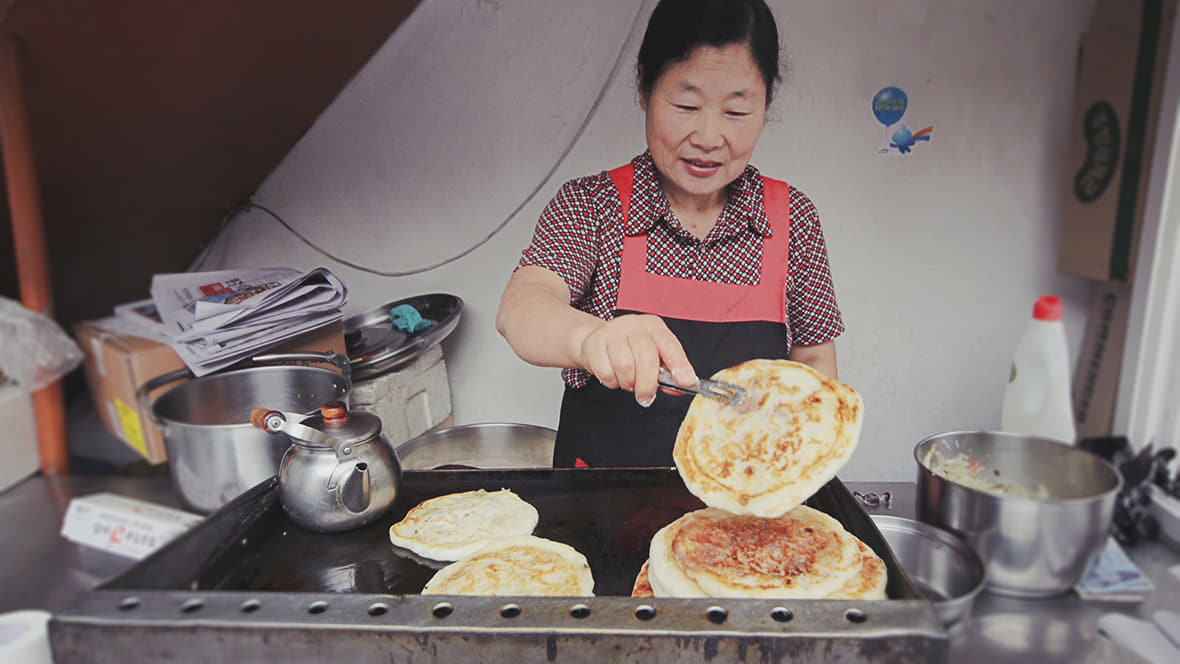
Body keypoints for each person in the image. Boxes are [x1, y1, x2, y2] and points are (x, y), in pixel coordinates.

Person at [496, 0, 844, 468]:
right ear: (644, 86)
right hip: (601, 511)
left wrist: (799, 455)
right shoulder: (592, 204)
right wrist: (591, 339)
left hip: (742, 514)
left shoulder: (792, 219)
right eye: (686, 105)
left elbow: (815, 365)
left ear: (765, 105)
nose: (708, 135)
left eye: (737, 112)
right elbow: (523, 307)